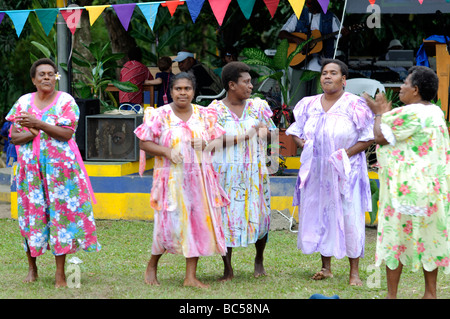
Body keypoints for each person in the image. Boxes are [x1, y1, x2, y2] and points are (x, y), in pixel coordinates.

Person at [6, 58, 101, 288]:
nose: (46, 77)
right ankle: (32, 267)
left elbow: (66, 134)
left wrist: (36, 124)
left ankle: (60, 273)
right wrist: (34, 131)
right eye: (41, 74)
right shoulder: (23, 102)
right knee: (31, 217)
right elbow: (14, 136)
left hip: (61, 174)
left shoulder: (66, 101)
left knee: (61, 219)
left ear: (56, 78)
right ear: (33, 79)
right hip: (30, 173)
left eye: (51, 74)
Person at [134, 72, 229, 288]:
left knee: (196, 223)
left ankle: (190, 277)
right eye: (178, 89)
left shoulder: (205, 115)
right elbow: (144, 143)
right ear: (171, 91)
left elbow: (217, 140)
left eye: (187, 88)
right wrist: (167, 151)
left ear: (194, 92)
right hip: (170, 180)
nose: (183, 93)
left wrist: (207, 145)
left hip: (200, 180)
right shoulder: (159, 115)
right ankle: (152, 264)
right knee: (167, 224)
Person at [363, 66, 450, 299]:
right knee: (431, 236)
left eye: (405, 82)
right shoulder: (435, 113)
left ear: (416, 90)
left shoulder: (411, 113)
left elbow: (379, 137)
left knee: (395, 239)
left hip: (404, 190)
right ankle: (430, 293)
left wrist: (379, 113)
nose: (400, 86)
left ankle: (392, 295)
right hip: (432, 190)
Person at [285, 59, 374, 285]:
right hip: (317, 172)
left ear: (343, 80)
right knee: (321, 215)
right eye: (324, 73)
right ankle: (326, 267)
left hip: (347, 172)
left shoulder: (355, 105)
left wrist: (345, 154)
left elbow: (368, 136)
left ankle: (354, 272)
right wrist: (303, 143)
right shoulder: (308, 104)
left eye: (333, 73)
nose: (327, 76)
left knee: (350, 217)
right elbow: (295, 130)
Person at [208, 61, 276, 281]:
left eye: (250, 81)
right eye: (245, 82)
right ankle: (228, 268)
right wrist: (245, 134)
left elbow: (272, 133)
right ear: (231, 85)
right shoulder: (214, 110)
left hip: (254, 172)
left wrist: (264, 132)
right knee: (226, 217)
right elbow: (211, 141)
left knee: (261, 215)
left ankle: (259, 260)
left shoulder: (258, 107)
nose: (250, 86)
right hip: (225, 173)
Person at [278, 0, 341, 102]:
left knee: (319, 102)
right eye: (308, 2)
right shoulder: (299, 14)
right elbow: (282, 34)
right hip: (300, 63)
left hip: (323, 66)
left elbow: (341, 36)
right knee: (297, 100)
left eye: (311, 2)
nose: (308, 3)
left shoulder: (330, 17)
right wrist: (297, 40)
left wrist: (346, 33)